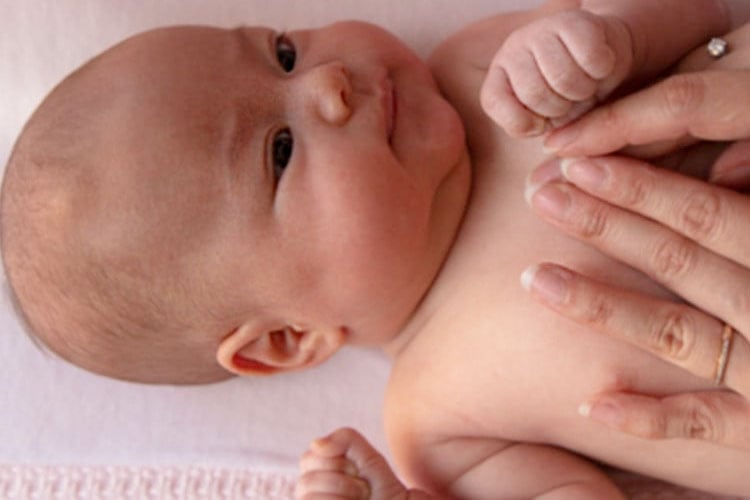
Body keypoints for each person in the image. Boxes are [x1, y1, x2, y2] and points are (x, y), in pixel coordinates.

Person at [2, 0, 748, 497]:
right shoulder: (441, 422)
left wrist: (613, 35)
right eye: (281, 152)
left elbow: (702, 10)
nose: (329, 83)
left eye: (283, 54)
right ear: (289, 339)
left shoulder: (481, 70)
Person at [523, 22, 750, 451]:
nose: (349, 84)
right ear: (348, 335)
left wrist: (614, 34)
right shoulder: (429, 414)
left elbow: (698, 13)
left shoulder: (470, 71)